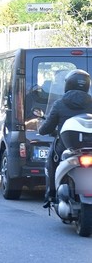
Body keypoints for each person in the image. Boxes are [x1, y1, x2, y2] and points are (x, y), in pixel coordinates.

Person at [39, 69, 92, 207]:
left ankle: (50, 194)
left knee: (51, 159)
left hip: (66, 146)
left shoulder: (60, 103)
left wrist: (41, 128)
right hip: (90, 147)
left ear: (68, 84)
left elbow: (46, 128)